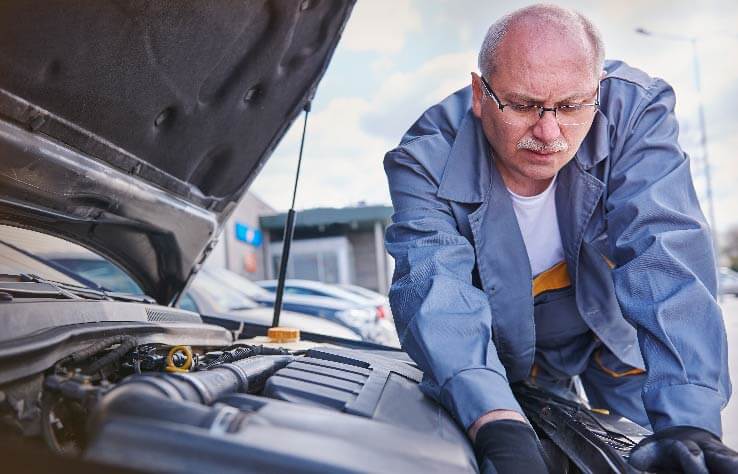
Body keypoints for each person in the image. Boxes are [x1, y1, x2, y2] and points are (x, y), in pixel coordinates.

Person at [383, 4, 737, 473]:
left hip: (616, 340)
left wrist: (690, 421)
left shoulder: (633, 112)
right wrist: (496, 420)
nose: (548, 133)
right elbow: (434, 288)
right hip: (514, 354)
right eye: (524, 105)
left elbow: (664, 245)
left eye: (571, 107)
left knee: (660, 454)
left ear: (597, 92)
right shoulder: (426, 160)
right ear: (478, 93)